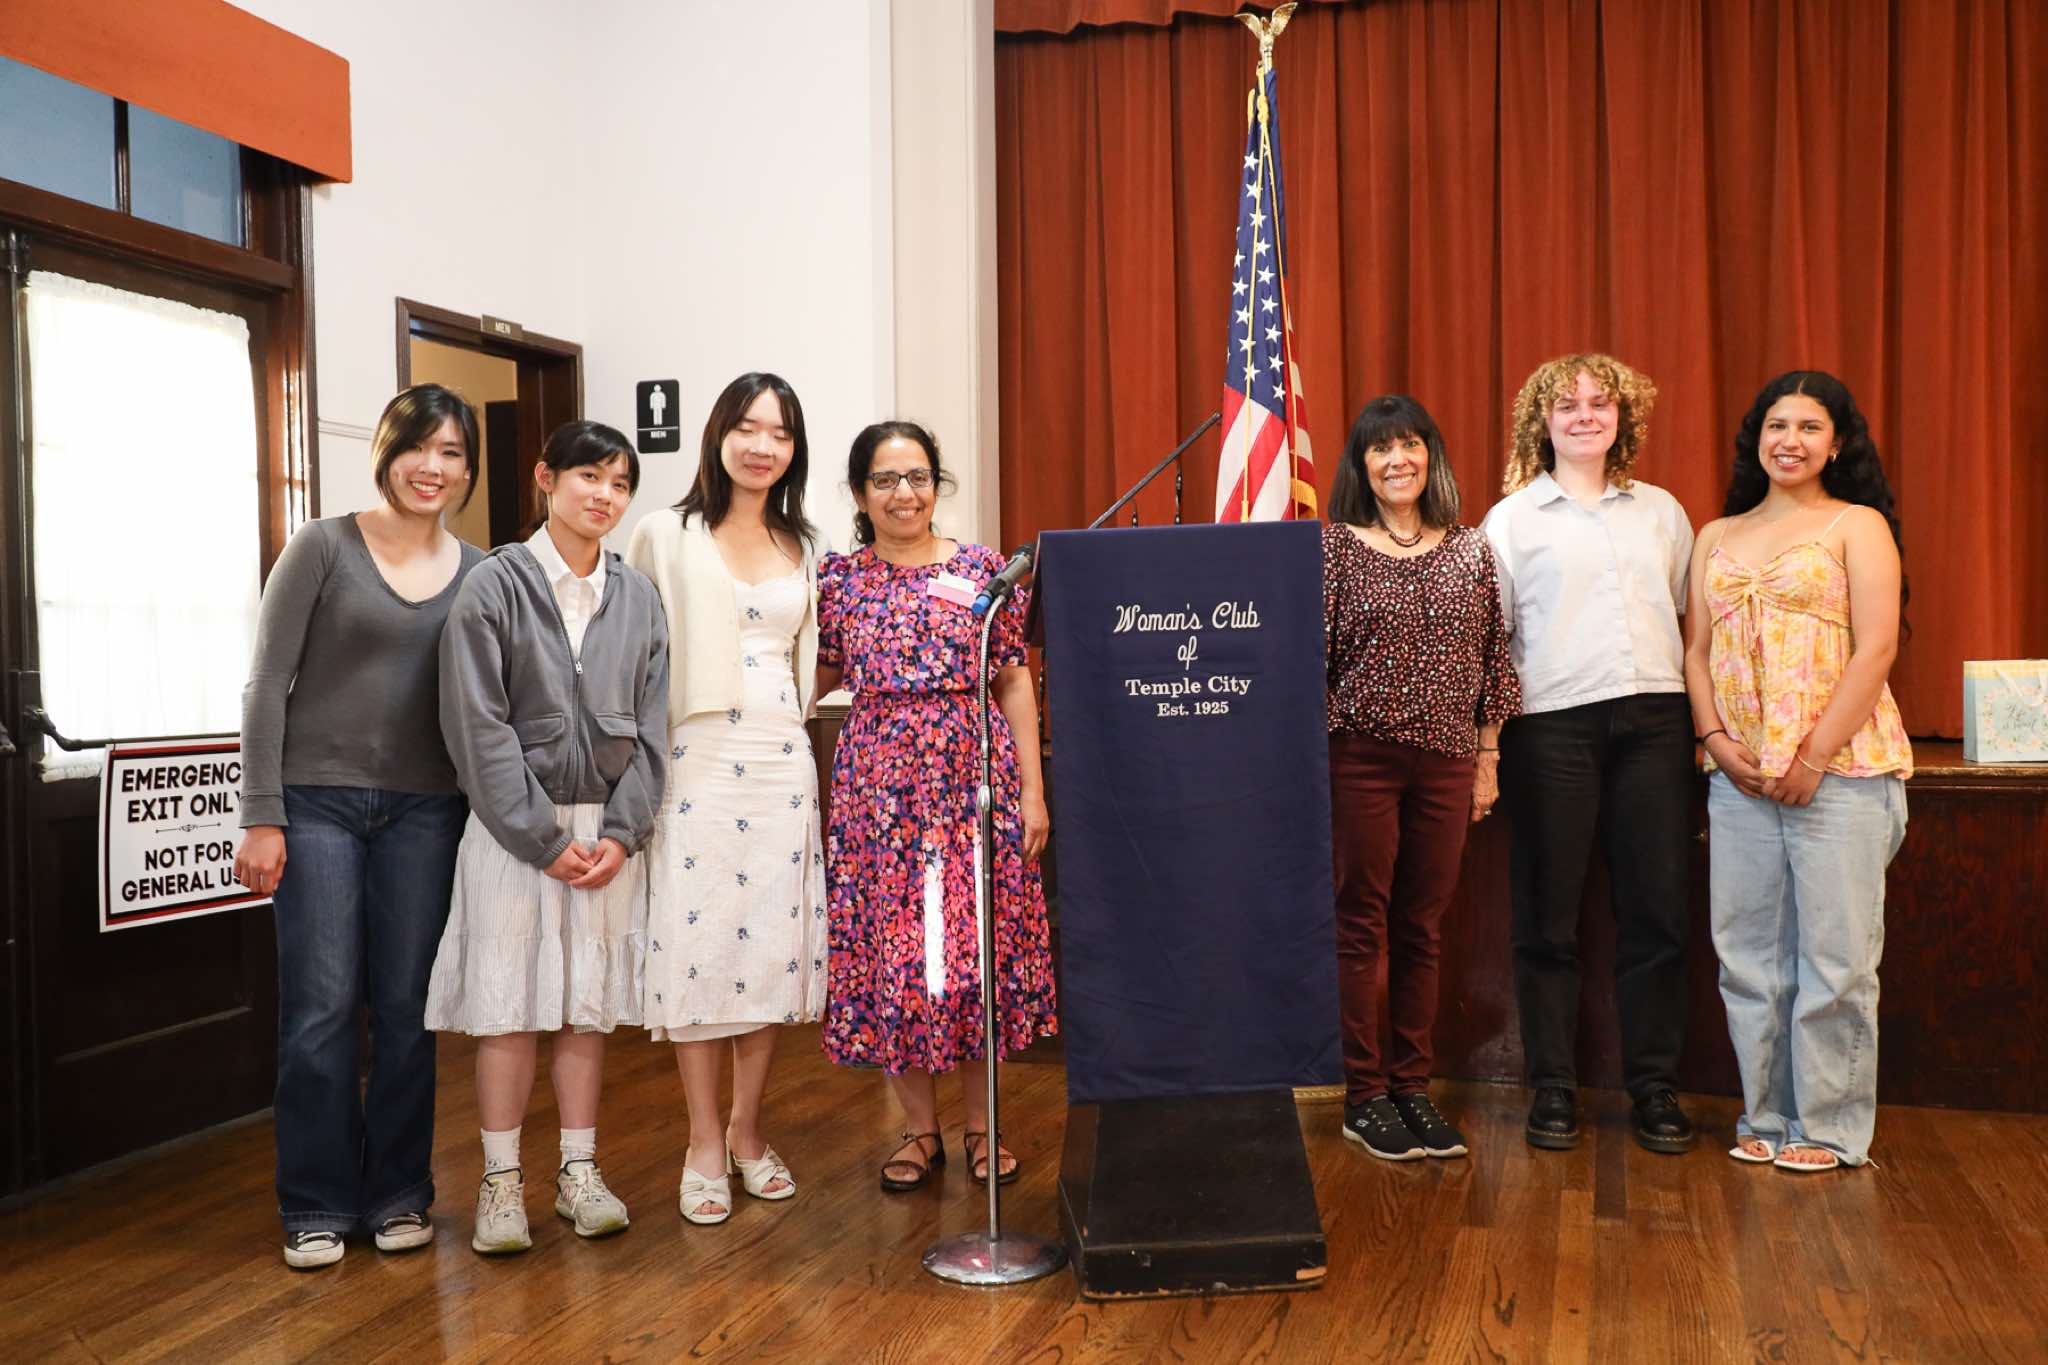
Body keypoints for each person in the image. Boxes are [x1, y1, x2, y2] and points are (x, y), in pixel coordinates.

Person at [235, 384, 485, 1269]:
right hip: (317, 804)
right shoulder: (323, 546)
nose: (433, 466)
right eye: (418, 446)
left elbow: (492, 704)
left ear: (468, 469)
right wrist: (261, 813)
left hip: (429, 810)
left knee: (410, 1009)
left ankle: (398, 1193)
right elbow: (266, 684)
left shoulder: (481, 571)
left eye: (452, 452)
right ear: (386, 451)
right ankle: (314, 1201)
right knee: (322, 1006)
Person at [427, 420, 668, 1252]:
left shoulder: (638, 596)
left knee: (584, 1006)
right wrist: (538, 834)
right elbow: (477, 726)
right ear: (546, 479)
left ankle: (578, 1170)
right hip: (511, 828)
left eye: (620, 483)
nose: (604, 495)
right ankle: (500, 1183)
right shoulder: (492, 586)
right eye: (589, 476)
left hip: (604, 832)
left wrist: (624, 832)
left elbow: (653, 727)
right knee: (508, 1006)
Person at [816, 421, 1055, 1191]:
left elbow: (1013, 679)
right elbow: (808, 679)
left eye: (917, 476)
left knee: (972, 955)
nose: (904, 493)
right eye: (885, 479)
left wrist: (1033, 791)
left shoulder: (983, 571)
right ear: (860, 493)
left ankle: (983, 1127)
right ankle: (921, 1131)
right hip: (878, 796)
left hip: (971, 782)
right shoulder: (837, 581)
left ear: (936, 484)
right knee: (900, 959)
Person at [1683, 371, 1909, 1172]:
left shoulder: (1857, 525)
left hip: (1841, 773)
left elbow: (1877, 647)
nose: (1791, 440)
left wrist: (1812, 756)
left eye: (1810, 427)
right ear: (1757, 437)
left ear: (1836, 442)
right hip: (1739, 778)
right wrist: (1714, 739)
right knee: (1748, 958)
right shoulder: (1715, 534)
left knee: (1836, 963)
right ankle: (1766, 1115)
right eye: (1777, 424)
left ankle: (1831, 1129)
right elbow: (1696, 651)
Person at [1481, 354, 1699, 1154]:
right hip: (1551, 727)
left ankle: (1654, 1086)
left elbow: (1688, 617)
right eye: (1566, 405)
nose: (1583, 415)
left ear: (1621, 418)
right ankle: (1553, 1085)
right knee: (1548, 913)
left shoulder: (1662, 512)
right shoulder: (1511, 520)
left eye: (1599, 403)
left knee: (1658, 910)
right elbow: (1494, 638)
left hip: (1656, 722)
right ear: (1541, 421)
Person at [626, 373, 826, 1226]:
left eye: (779, 433)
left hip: (781, 757)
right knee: (700, 943)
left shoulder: (803, 540)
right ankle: (703, 1138)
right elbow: (630, 650)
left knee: (769, 945)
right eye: (747, 427)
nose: (761, 445)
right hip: (696, 756)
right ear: (718, 434)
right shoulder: (663, 532)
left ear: (793, 450)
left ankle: (748, 1128)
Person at [1323, 396, 1520, 1161]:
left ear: (1431, 455)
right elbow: (1311, 662)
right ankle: (1363, 1095)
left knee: (1421, 927)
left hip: (1446, 761)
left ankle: (1412, 1086)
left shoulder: (1471, 550)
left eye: (1410, 444)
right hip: (1360, 759)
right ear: (1362, 466)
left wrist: (1486, 758)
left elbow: (1493, 661)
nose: (1397, 458)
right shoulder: (1335, 549)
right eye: (1380, 448)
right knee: (1360, 924)